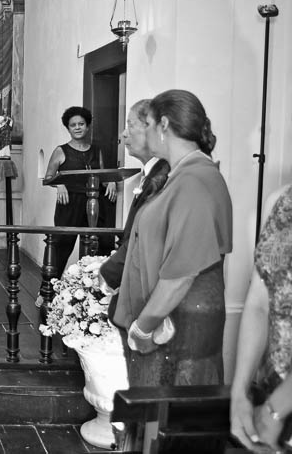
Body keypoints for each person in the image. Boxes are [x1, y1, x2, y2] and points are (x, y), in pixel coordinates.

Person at [113, 89, 232, 390]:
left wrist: (143, 326)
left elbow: (182, 272)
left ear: (164, 125)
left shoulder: (194, 180)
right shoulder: (182, 176)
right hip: (171, 321)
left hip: (178, 324)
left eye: (148, 124)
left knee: (168, 423)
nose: (144, 132)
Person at [231, 184, 292, 453]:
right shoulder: (280, 201)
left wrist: (274, 411)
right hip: (271, 390)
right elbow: (259, 303)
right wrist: (239, 393)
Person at [99, 99, 170, 317]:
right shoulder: (153, 172)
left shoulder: (163, 177)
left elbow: (146, 235)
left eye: (130, 125)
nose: (123, 134)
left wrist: (110, 271)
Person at [44, 106, 117, 275]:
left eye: (81, 124)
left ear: (88, 125)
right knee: (61, 246)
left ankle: (97, 292)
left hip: (96, 203)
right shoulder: (61, 151)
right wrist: (59, 184)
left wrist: (112, 181)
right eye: (73, 125)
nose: (77, 127)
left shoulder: (97, 150)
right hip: (69, 203)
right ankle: (46, 289)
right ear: (68, 128)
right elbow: (48, 177)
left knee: (101, 245)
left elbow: (103, 176)